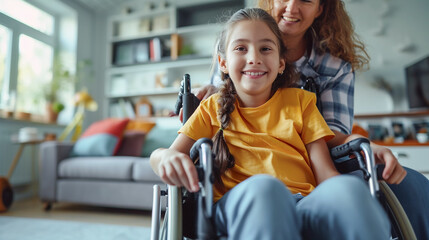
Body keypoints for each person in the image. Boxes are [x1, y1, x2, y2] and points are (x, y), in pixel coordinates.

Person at [194, 1, 429, 238]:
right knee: (265, 191)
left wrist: (360, 143)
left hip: (312, 167)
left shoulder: (312, 91)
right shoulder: (234, 48)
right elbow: (222, 94)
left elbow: (329, 139)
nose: (292, 7)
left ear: (321, 8)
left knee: (399, 185)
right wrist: (207, 94)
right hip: (245, 185)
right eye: (241, 49)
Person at [151, 8, 390, 239]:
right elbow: (161, 156)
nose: (254, 58)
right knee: (266, 189)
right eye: (241, 48)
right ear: (223, 63)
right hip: (241, 204)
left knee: (349, 190)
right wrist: (166, 157)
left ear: (281, 63)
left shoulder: (302, 102)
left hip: (304, 203)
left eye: (265, 48)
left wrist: (349, 181)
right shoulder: (211, 108)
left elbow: (326, 173)